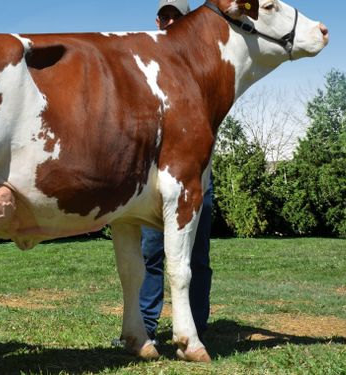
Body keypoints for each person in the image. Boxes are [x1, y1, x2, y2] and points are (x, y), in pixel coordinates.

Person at [133, 0, 215, 346]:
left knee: (196, 256)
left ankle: (195, 326)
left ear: (187, 21)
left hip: (198, 179)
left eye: (176, 17)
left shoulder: (201, 66)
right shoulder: (146, 66)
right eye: (165, 16)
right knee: (152, 255)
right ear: (157, 19)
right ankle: (147, 325)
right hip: (155, 183)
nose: (169, 21)